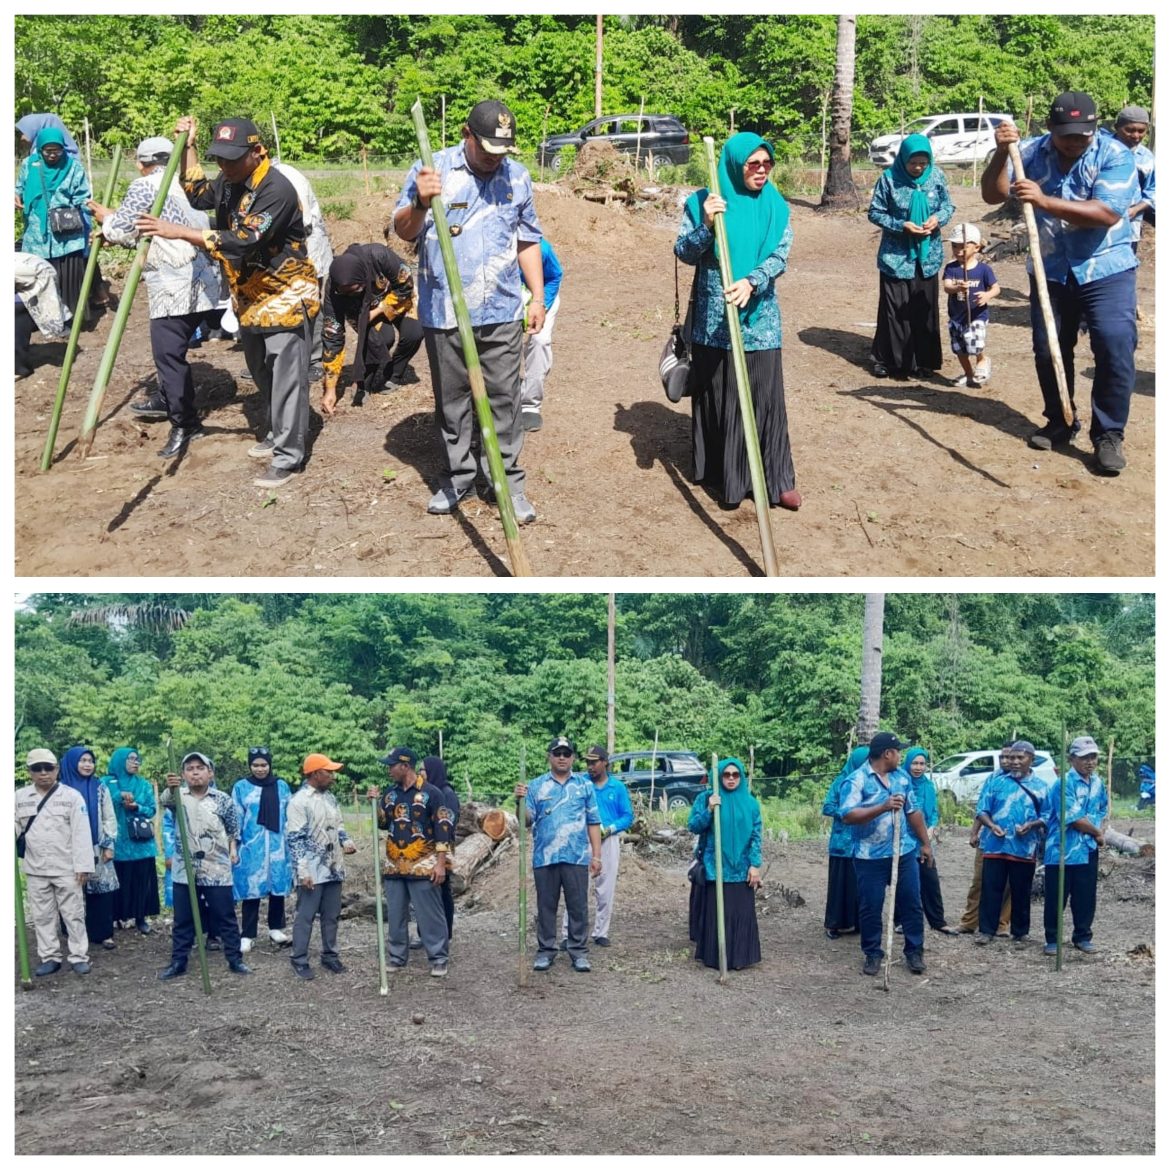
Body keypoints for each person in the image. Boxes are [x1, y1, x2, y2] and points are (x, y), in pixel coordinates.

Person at [135, 116, 320, 490]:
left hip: (285, 295)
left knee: (286, 379)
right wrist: (188, 146)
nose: (224, 167)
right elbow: (197, 192)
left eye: (232, 160)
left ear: (258, 152)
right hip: (250, 296)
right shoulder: (232, 180)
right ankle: (276, 433)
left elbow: (243, 239)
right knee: (261, 371)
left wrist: (179, 232)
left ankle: (289, 456)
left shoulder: (276, 189)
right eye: (219, 159)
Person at [393, 99, 544, 524]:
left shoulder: (517, 177)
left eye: (502, 152)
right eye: (487, 150)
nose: (495, 160)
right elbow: (403, 230)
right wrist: (421, 203)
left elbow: (528, 239)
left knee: (504, 399)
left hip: (502, 309)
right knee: (453, 402)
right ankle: (457, 478)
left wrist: (537, 296)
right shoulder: (433, 172)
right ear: (466, 135)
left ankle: (507, 484)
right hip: (445, 311)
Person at [981, 92, 1139, 474]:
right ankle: (1060, 419)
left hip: (1106, 268)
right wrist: (1002, 153)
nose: (1075, 141)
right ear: (1050, 128)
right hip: (1051, 267)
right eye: (1066, 134)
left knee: (1115, 346)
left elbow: (1106, 213)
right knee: (1048, 348)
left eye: (1083, 134)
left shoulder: (1114, 154)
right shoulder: (1031, 152)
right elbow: (993, 194)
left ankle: (1108, 435)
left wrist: (1044, 200)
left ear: (1094, 128)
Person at [675, 132, 800, 511]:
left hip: (759, 319)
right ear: (735, 165)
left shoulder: (776, 206)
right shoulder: (703, 202)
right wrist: (708, 224)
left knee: (764, 396)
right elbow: (684, 252)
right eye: (753, 164)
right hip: (715, 319)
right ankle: (725, 474)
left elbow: (780, 256)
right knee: (722, 394)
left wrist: (752, 281)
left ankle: (778, 478)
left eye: (767, 164)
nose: (762, 171)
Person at [88, 135, 224, 458]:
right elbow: (146, 227)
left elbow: (123, 229)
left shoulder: (146, 186)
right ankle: (170, 397)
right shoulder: (187, 184)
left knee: (167, 355)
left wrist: (107, 219)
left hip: (174, 284)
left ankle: (184, 422)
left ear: (141, 163)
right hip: (206, 280)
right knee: (172, 352)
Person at [839, 732, 933, 977]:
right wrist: (882, 806)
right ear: (887, 754)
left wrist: (925, 843)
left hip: (902, 852)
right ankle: (872, 953)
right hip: (869, 857)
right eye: (898, 751)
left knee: (912, 902)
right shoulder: (857, 780)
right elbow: (848, 815)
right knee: (871, 906)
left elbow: (913, 812)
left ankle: (914, 951)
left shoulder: (902, 778)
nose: (900, 756)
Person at [867, 134, 954, 381]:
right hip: (897, 257)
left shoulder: (937, 177)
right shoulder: (888, 179)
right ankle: (889, 361)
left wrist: (938, 219)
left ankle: (924, 361)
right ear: (902, 159)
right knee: (893, 310)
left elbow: (948, 206)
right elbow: (875, 212)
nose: (917, 168)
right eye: (912, 163)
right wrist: (900, 225)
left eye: (922, 163)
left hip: (927, 255)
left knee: (924, 309)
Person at [158, 752, 250, 979]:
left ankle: (235, 959)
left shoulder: (222, 799)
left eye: (200, 767)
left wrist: (233, 849)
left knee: (225, 915)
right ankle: (178, 961)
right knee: (183, 917)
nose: (195, 772)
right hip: (185, 868)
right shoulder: (177, 797)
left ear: (210, 772)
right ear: (182, 775)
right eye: (190, 768)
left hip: (216, 866)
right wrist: (171, 787)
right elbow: (164, 800)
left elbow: (233, 829)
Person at [513, 736, 602, 972]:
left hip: (576, 856)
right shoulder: (535, 786)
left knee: (578, 907)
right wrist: (519, 801)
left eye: (566, 753)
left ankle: (578, 951)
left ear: (573, 757)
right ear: (549, 756)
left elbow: (593, 821)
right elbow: (527, 820)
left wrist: (597, 855)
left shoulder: (584, 785)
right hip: (545, 857)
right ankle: (546, 950)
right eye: (557, 753)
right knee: (546, 906)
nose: (562, 757)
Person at [369, 748, 455, 977]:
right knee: (396, 914)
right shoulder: (390, 794)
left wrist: (440, 863)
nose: (389, 770)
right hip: (394, 864)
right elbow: (383, 824)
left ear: (405, 766)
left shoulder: (432, 793)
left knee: (430, 914)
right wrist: (375, 804)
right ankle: (397, 957)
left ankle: (438, 958)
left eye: (391, 765)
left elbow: (443, 828)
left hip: (423, 864)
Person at [15, 749, 93, 976]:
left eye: (48, 768)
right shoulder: (19, 798)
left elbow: (81, 833)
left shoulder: (71, 797)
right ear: (29, 772)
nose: (43, 773)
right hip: (36, 868)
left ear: (57, 770)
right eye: (37, 769)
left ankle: (79, 956)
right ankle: (50, 957)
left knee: (74, 914)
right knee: (42, 915)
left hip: (67, 868)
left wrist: (83, 866)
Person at [320, 243, 423, 412]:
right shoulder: (333, 291)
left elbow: (406, 284)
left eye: (356, 290)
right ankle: (364, 382)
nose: (351, 295)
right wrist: (330, 389)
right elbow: (332, 336)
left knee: (414, 333)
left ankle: (393, 374)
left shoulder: (379, 256)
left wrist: (378, 310)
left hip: (399, 298)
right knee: (381, 339)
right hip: (362, 310)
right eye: (346, 294)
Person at [687, 756, 763, 970]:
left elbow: (756, 836)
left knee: (740, 911)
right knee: (717, 912)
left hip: (741, 868)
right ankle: (715, 956)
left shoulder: (750, 803)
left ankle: (740, 956)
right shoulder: (706, 798)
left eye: (735, 774)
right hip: (716, 867)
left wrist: (755, 865)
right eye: (726, 775)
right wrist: (710, 810)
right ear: (719, 777)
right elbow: (693, 826)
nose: (731, 778)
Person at [285, 753, 356, 980]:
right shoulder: (299, 801)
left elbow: (339, 824)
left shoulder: (330, 798)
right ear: (316, 773)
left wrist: (346, 841)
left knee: (331, 914)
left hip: (333, 865)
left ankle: (330, 955)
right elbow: (295, 838)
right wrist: (302, 871)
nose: (333, 776)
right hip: (311, 869)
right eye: (329, 772)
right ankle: (299, 958)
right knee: (305, 915)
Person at [973, 740, 1047, 946]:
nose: (1014, 762)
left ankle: (1020, 932)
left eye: (1019, 758)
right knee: (990, 888)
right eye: (1011, 757)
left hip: (1024, 848)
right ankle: (986, 930)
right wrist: (990, 826)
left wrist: (1031, 825)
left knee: (1021, 890)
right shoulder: (997, 783)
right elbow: (982, 809)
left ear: (1031, 759)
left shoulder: (1041, 787)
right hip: (995, 846)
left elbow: (1048, 815)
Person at [15, 126, 93, 316]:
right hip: (37, 235)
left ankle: (72, 318)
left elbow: (84, 197)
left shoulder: (73, 167)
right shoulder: (29, 164)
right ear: (39, 149)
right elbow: (20, 187)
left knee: (68, 278)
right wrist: (15, 196)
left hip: (66, 234)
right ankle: (42, 318)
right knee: (38, 276)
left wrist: (89, 221)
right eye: (47, 151)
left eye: (57, 150)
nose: (52, 155)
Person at [1042, 735, 1109, 957]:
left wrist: (1100, 830)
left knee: (1085, 896)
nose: (1089, 762)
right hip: (1062, 850)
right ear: (1071, 759)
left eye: (1093, 757)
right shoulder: (1063, 784)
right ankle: (1052, 938)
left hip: (1087, 849)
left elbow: (1102, 810)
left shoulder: (1099, 783)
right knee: (1057, 896)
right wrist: (1098, 833)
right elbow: (1073, 818)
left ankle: (1082, 936)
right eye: (1084, 758)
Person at [560, 746, 632, 948]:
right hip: (582, 840)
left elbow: (627, 816)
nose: (590, 766)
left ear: (605, 763)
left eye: (594, 762)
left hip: (607, 840)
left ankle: (601, 931)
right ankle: (568, 933)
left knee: (605, 888)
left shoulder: (617, 788)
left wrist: (610, 828)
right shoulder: (581, 784)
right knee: (575, 887)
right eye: (588, 763)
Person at [273, 159, 334, 380]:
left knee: (309, 306)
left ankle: (315, 359)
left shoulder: (286, 177)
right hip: (286, 253)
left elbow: (302, 220)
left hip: (306, 248)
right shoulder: (262, 178)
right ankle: (281, 362)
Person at [231, 747, 294, 953]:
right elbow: (236, 817)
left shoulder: (281, 786)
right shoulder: (241, 787)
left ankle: (275, 928)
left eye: (264, 765)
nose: (260, 769)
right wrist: (233, 845)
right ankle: (248, 934)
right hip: (251, 846)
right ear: (250, 766)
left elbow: (289, 815)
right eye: (256, 765)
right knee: (251, 891)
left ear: (270, 765)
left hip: (277, 845)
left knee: (277, 887)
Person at [58, 745, 119, 952]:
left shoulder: (99, 786)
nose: (87, 765)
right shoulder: (60, 789)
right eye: (82, 760)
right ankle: (72, 934)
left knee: (101, 891)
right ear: (71, 763)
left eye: (90, 761)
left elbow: (109, 816)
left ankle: (102, 933)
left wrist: (109, 845)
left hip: (97, 847)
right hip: (69, 849)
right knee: (70, 890)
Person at [956, 745, 1014, 936]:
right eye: (1002, 757)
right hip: (989, 840)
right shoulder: (993, 778)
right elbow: (982, 808)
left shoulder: (1025, 780)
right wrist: (974, 833)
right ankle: (969, 921)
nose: (1005, 761)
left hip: (1015, 842)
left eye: (1010, 757)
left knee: (1008, 884)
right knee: (979, 881)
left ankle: (1002, 923)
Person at [101, 746, 159, 934]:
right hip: (117, 841)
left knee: (141, 880)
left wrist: (137, 807)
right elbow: (102, 804)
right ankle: (116, 917)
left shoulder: (143, 784)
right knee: (118, 881)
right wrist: (119, 797)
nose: (136, 762)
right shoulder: (105, 782)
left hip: (141, 842)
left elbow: (151, 809)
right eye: (131, 759)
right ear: (119, 760)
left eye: (137, 759)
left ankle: (140, 917)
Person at [900, 746, 957, 935]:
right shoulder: (900, 782)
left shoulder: (927, 786)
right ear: (907, 763)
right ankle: (901, 920)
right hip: (904, 840)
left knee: (930, 879)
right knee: (905, 882)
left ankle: (938, 921)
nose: (918, 767)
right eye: (914, 763)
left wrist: (930, 829)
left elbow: (932, 813)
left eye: (922, 763)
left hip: (924, 840)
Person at [941, 224, 1000, 388]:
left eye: (963, 246)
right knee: (960, 349)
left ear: (976, 247)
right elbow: (946, 287)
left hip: (977, 315)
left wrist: (987, 295)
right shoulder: (951, 268)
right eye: (954, 246)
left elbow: (996, 288)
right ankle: (968, 375)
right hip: (956, 317)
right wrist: (957, 287)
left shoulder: (983, 270)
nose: (958, 250)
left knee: (974, 342)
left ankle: (982, 360)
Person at [519, 236, 564, 432]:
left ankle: (530, 405)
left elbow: (555, 275)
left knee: (539, 341)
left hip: (540, 299)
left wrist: (540, 304)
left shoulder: (541, 247)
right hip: (506, 304)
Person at [822, 746, 867, 939]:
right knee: (840, 885)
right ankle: (834, 924)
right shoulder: (841, 782)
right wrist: (847, 813)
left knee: (859, 885)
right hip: (842, 843)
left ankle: (857, 922)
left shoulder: (869, 781)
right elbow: (828, 806)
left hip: (863, 842)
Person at [419, 755, 460, 941]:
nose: (420, 773)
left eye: (423, 770)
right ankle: (426, 932)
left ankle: (445, 933)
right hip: (427, 850)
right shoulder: (426, 793)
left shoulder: (446, 794)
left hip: (441, 849)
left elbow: (447, 822)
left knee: (442, 892)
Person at [14, 251, 70, 378]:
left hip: (40, 278)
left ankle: (19, 368)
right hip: (25, 278)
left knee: (14, 310)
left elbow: (28, 276)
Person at [1112, 106, 1156, 242]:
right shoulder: (1102, 149)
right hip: (1098, 221)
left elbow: (1153, 190)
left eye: (1141, 131)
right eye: (1129, 130)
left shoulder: (1146, 158)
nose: (1136, 136)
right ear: (1116, 127)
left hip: (1130, 223)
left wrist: (1135, 210)